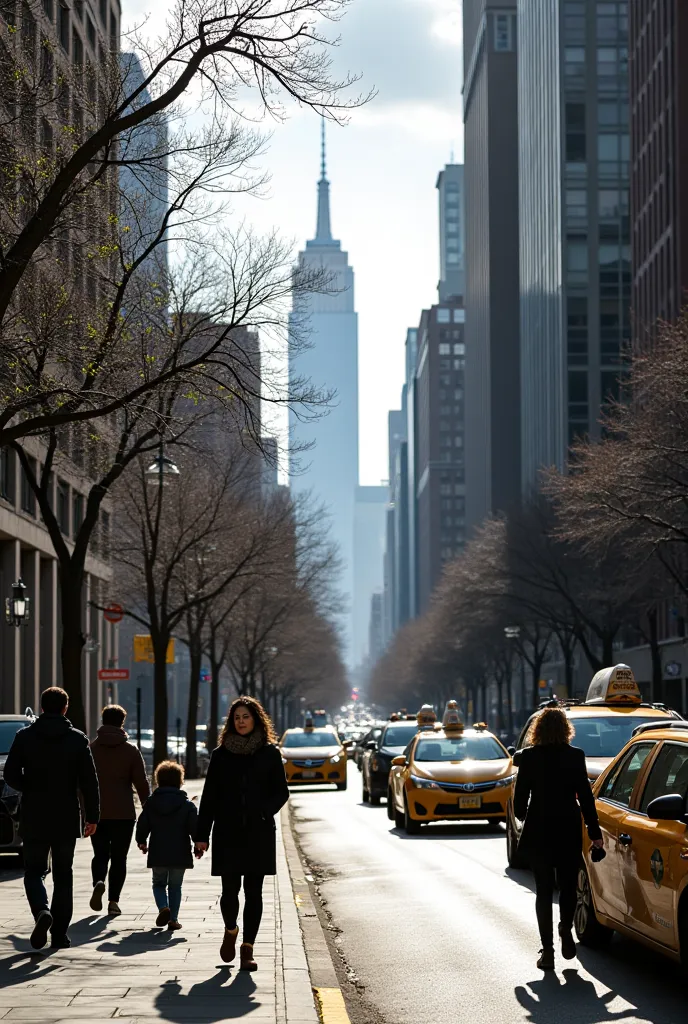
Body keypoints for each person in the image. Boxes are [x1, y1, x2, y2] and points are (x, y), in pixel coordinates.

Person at [196, 696, 289, 970]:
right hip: (227, 831)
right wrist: (202, 835)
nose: (241, 721)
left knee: (254, 892)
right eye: (236, 717)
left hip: (258, 832)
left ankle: (248, 948)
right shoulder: (220, 755)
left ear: (256, 719)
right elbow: (209, 797)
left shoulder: (270, 753)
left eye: (246, 716)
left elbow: (281, 792)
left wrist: (263, 811)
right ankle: (231, 930)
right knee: (229, 891)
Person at [4, 686, 99, 950]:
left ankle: (41, 912)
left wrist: (30, 787)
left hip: (34, 813)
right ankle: (59, 934)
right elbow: (90, 782)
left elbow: (11, 774)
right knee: (63, 875)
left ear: (42, 707)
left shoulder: (25, 736)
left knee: (34, 871)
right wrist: (93, 816)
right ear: (66, 708)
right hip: (66, 815)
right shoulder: (78, 739)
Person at [513, 706, 604, 971]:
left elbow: (519, 805)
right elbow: (586, 799)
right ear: (566, 730)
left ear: (537, 730)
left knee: (543, 891)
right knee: (567, 885)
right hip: (567, 827)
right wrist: (595, 834)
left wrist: (525, 814)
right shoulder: (576, 756)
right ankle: (566, 927)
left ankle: (548, 952)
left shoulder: (528, 758)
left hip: (539, 829)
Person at [89, 704, 150, 916]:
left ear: (103, 720)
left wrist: (85, 812)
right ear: (122, 722)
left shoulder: (91, 749)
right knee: (119, 858)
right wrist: (148, 811)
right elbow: (141, 784)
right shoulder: (131, 751)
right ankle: (113, 901)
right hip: (124, 813)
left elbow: (82, 782)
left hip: (97, 813)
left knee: (100, 854)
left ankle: (98, 881)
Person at [135, 760, 197, 931]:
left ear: (158, 780)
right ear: (180, 781)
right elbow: (195, 828)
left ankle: (163, 907)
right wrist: (199, 845)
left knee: (158, 884)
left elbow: (142, 824)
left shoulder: (151, 803)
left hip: (158, 851)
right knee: (176, 886)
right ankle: (173, 919)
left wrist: (141, 840)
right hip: (180, 852)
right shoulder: (187, 805)